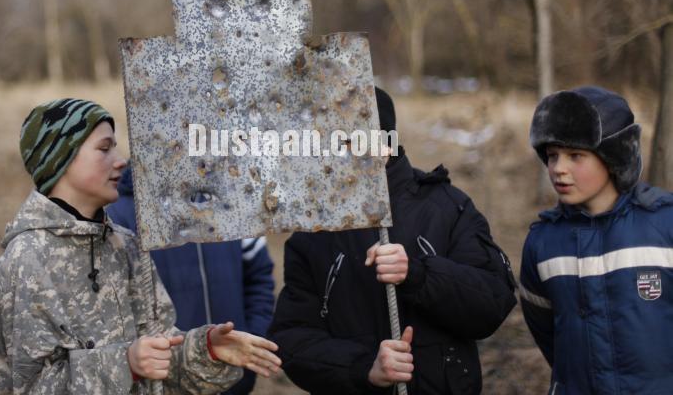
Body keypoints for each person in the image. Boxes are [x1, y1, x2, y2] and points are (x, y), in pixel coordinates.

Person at [0, 98, 281, 394]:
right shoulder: (24, 263)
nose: (121, 160)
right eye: (104, 148)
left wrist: (206, 350)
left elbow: (158, 357)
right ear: (61, 158)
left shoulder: (126, 246)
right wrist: (125, 364)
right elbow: (29, 387)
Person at [268, 88, 517, 394]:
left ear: (384, 143)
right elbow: (292, 339)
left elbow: (493, 302)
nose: (337, 153)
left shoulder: (447, 207)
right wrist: (364, 367)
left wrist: (419, 274)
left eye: (350, 140)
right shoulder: (315, 232)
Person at [520, 86, 673, 394]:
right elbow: (548, 333)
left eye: (576, 155)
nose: (559, 169)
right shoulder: (543, 244)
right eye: (552, 156)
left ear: (614, 157)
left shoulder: (665, 226)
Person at [107, 166, 275, 395]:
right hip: (165, 383)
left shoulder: (236, 202)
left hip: (235, 379)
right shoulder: (120, 214)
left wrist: (252, 335)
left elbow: (259, 278)